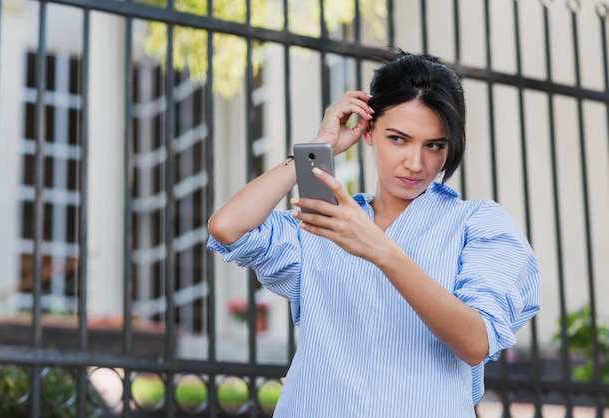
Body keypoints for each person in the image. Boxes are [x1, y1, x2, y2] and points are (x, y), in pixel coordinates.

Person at [206, 49, 540, 417]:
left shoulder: (478, 224)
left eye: (434, 145)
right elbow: (227, 227)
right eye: (398, 138)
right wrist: (319, 149)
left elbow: (477, 341)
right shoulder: (326, 222)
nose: (416, 163)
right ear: (368, 131)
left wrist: (381, 249)